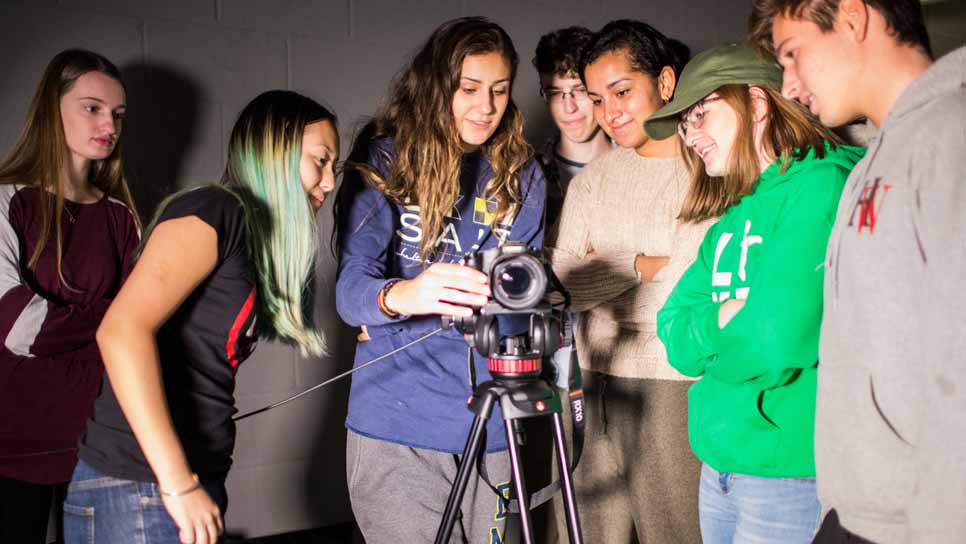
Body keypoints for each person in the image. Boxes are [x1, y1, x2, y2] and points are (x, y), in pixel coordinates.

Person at [63, 90, 338, 544]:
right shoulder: (215, 209)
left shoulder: (251, 237)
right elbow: (120, 330)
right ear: (276, 155)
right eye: (320, 161)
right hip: (141, 484)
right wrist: (179, 483)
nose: (328, 182)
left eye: (333, 168)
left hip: (181, 480)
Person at [748, 1, 966, 541]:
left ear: (850, 17)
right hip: (857, 513)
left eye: (793, 54)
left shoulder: (952, 134)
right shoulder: (874, 159)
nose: (790, 86)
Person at [335, 16, 545, 543]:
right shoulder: (385, 155)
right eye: (469, 88)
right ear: (436, 86)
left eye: (499, 90)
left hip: (493, 419)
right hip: (397, 422)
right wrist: (404, 294)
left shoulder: (522, 171)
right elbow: (351, 291)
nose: (486, 106)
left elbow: (522, 294)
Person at [647, 43, 864, 543]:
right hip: (718, 467)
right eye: (683, 124)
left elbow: (778, 341)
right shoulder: (736, 214)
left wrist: (718, 337)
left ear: (758, 104)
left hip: (787, 474)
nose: (690, 135)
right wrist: (726, 316)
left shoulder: (821, 187)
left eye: (701, 113)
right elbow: (672, 329)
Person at [548, 19, 707, 544]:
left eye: (622, 92)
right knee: (583, 533)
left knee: (675, 533)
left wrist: (603, 270)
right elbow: (561, 284)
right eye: (597, 99)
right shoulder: (593, 181)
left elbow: (694, 281)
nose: (609, 112)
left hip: (673, 384)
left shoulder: (707, 172)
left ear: (665, 83)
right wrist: (642, 266)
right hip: (586, 382)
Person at [0, 49, 140, 543]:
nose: (109, 124)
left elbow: (142, 330)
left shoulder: (121, 216)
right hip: (13, 445)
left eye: (117, 115)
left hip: (96, 442)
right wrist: (114, 316)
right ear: (50, 109)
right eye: (92, 107)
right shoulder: (7, 201)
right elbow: (20, 328)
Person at [532, 26, 611, 237]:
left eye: (580, 90)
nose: (569, 107)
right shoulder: (528, 176)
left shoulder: (640, 163)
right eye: (556, 93)